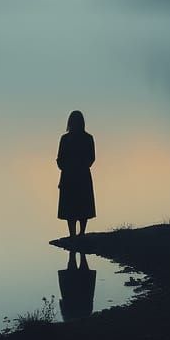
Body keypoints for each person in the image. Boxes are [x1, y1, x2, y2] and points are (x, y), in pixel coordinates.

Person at [56, 109, 96, 237]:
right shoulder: (86, 138)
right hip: (77, 176)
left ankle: (76, 234)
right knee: (79, 206)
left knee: (74, 207)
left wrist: (68, 167)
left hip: (73, 176)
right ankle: (78, 234)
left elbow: (91, 158)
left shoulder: (67, 139)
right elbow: (91, 158)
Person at [57, 250, 96, 321]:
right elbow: (63, 306)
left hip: (77, 294)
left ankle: (77, 251)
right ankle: (77, 250)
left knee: (77, 265)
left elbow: (89, 304)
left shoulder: (70, 317)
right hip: (76, 293)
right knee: (77, 265)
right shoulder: (68, 316)